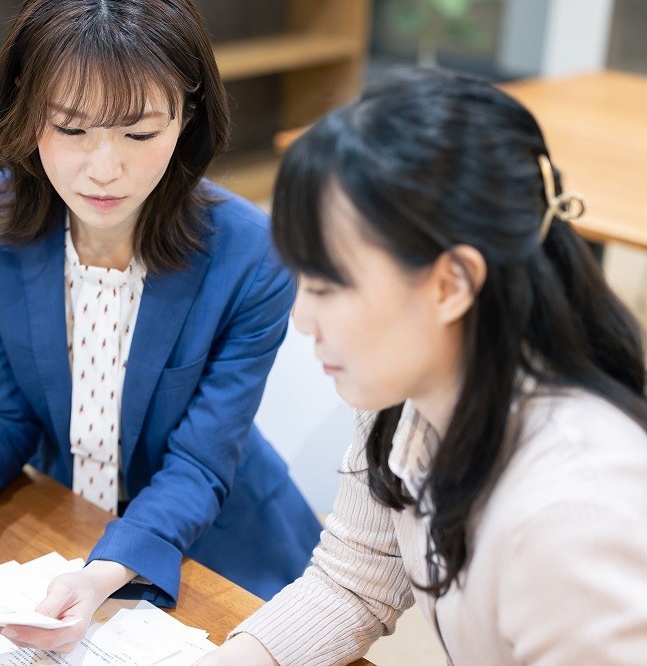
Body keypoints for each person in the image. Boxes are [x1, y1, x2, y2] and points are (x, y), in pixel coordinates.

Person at [0, 0, 321, 653]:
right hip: (62, 522)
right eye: (70, 129)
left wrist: (102, 574)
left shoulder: (251, 254)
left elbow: (198, 466)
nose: (103, 168)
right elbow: (4, 419)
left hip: (217, 550)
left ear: (188, 119)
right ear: (28, 112)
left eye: (140, 133)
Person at [202, 67, 647, 665]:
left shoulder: (573, 513)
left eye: (329, 287)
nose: (301, 319)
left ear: (451, 284)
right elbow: (355, 580)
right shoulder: (402, 389)